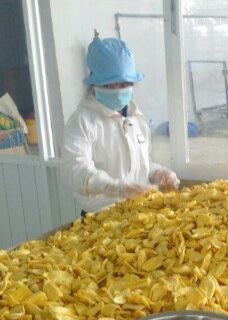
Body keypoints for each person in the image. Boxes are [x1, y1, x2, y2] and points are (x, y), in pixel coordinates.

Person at [63, 35, 179, 214]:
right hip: (101, 217)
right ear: (94, 85)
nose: (118, 91)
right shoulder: (82, 121)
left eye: (124, 84)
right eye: (110, 85)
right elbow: (75, 171)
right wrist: (113, 187)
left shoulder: (136, 119)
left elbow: (140, 166)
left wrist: (157, 173)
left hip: (139, 214)